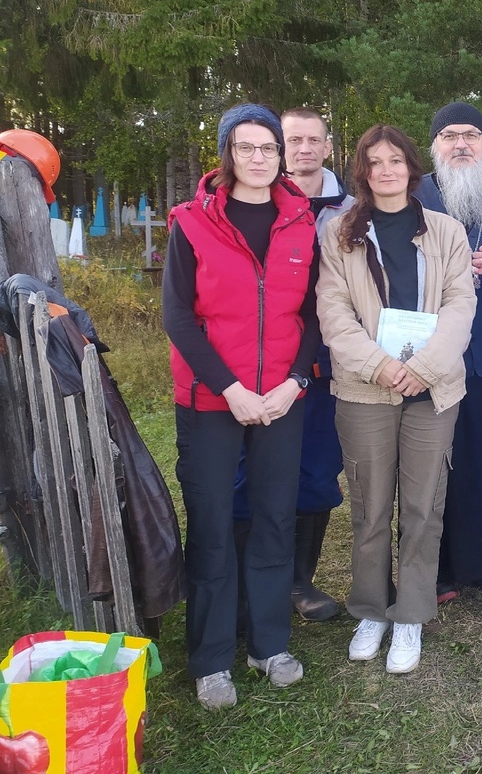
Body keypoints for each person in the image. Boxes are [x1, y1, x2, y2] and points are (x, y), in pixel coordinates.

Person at [163, 103, 319, 710]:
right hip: (210, 399)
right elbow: (179, 316)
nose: (259, 159)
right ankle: (209, 658)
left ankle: (269, 643)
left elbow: (311, 315)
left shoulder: (301, 222)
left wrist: (292, 385)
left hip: (282, 398)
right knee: (209, 524)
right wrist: (231, 389)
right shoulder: (192, 221)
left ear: (282, 156)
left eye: (269, 148)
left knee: (276, 517)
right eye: (246, 148)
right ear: (227, 154)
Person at [317, 124, 476, 674]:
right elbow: (333, 312)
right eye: (374, 162)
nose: (386, 171)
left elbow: (461, 304)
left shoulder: (447, 231)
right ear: (361, 171)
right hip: (365, 388)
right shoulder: (339, 233)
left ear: (412, 168)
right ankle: (370, 609)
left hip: (432, 391)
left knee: (423, 504)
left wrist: (423, 368)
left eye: (395, 161)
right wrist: (379, 365)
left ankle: (410, 612)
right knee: (369, 505)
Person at [231, 107, 353, 622]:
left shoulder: (354, 208)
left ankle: (299, 582)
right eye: (292, 140)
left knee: (318, 469)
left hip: (326, 361)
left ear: (327, 148)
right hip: (260, 361)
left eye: (313, 140)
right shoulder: (256, 199)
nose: (303, 149)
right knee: (244, 472)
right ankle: (244, 584)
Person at [413, 101, 482, 600]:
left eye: (472, 135)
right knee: (430, 463)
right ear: (434, 146)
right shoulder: (410, 196)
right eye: (450, 135)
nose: (461, 144)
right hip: (425, 353)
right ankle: (434, 567)